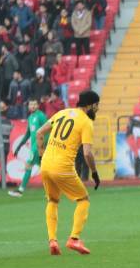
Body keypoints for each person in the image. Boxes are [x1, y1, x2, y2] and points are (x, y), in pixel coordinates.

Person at [34, 90, 102, 256]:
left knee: (52, 200)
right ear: (89, 105)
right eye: (96, 105)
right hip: (63, 167)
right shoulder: (86, 122)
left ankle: (52, 241)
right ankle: (74, 238)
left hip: (46, 164)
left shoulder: (62, 113)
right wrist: (94, 172)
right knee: (83, 199)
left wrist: (42, 154)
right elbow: (87, 153)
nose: (97, 108)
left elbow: (39, 133)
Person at [8, 99, 48, 197]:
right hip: (35, 145)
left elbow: (48, 129)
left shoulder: (41, 116)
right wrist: (19, 146)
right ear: (28, 106)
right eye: (31, 104)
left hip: (39, 145)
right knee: (46, 168)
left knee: (28, 165)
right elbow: (28, 134)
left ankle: (20, 190)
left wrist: (41, 145)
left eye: (35, 104)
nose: (33, 106)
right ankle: (54, 190)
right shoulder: (31, 117)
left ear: (38, 105)